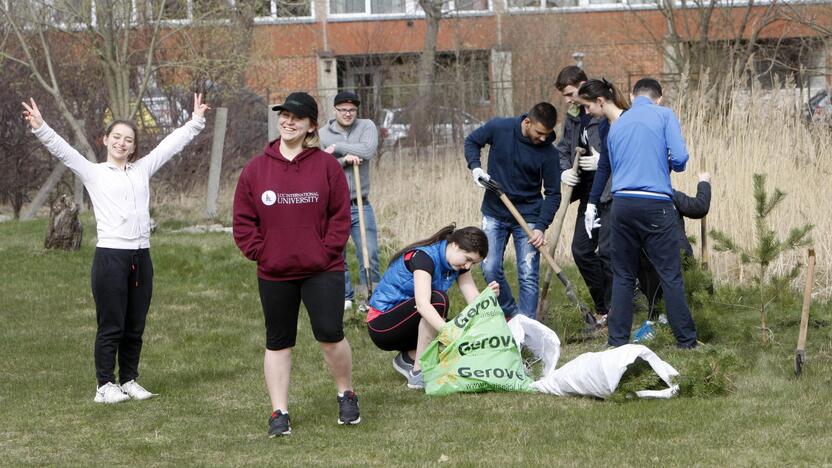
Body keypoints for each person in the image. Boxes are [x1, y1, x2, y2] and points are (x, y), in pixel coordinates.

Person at [22, 94, 209, 404]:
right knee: (112, 324)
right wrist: (41, 127)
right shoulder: (93, 172)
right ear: (106, 140)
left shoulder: (142, 169)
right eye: (117, 138)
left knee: (135, 324)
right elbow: (63, 151)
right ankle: (104, 385)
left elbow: (170, 146)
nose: (122, 143)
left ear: (134, 147)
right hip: (111, 257)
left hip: (141, 255)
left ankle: (129, 379)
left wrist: (196, 121)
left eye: (129, 140)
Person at [232, 92, 360, 438]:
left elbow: (340, 216)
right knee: (278, 341)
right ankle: (279, 412)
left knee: (331, 335)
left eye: (297, 118)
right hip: (275, 271)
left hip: (322, 269)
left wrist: (325, 251)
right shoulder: (256, 169)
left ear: (311, 127)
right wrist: (262, 251)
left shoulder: (326, 167)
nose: (288, 122)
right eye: (284, 115)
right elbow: (243, 221)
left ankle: (346, 393)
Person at [584, 78, 698, 349]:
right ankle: (686, 341)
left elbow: (612, 166)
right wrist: (667, 163)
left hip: (621, 204)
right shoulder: (664, 115)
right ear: (659, 98)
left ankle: (617, 341)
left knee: (624, 275)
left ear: (633, 96)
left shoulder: (617, 124)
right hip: (655, 204)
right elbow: (680, 160)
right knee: (670, 274)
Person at [366, 225, 498, 389]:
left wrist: (488, 297)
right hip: (382, 325)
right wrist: (450, 335)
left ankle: (409, 357)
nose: (468, 266)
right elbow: (423, 305)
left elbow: (474, 302)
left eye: (473, 263)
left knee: (464, 328)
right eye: (468, 259)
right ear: (455, 245)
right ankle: (418, 373)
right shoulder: (424, 258)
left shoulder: (458, 265)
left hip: (407, 322)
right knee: (438, 301)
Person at [464, 102, 561, 319]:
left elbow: (553, 194)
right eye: (539, 133)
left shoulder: (549, 154)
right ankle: (512, 314)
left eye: (548, 134)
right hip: (494, 211)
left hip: (528, 217)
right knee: (489, 267)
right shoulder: (500, 128)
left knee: (527, 274)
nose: (543, 138)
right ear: (527, 122)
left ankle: (528, 329)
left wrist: (541, 227)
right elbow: (472, 141)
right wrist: (476, 167)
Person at [554, 66, 613, 324]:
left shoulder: (607, 112)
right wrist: (564, 171)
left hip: (611, 192)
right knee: (581, 250)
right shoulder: (574, 116)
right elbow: (564, 148)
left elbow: (620, 146)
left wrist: (602, 161)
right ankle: (605, 305)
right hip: (589, 192)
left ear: (583, 84)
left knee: (609, 252)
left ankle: (614, 308)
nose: (568, 100)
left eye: (570, 93)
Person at [319, 91, 381, 311]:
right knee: (338, 254)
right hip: (334, 207)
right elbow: (319, 166)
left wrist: (337, 149)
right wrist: (344, 160)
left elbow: (368, 150)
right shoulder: (322, 134)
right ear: (334, 110)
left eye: (352, 110)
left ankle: (371, 297)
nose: (347, 114)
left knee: (370, 252)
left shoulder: (367, 127)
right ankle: (346, 296)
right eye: (343, 110)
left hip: (360, 204)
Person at [638, 172, 712, 319]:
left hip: (652, 256)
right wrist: (704, 182)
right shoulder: (670, 195)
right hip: (675, 252)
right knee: (684, 290)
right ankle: (691, 316)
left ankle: (660, 319)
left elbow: (698, 208)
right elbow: (699, 207)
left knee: (656, 294)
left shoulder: (633, 200)